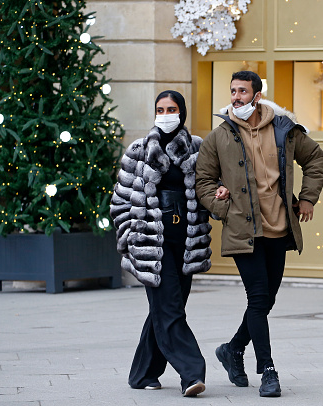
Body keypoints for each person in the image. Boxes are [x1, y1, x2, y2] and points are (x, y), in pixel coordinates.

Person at [195, 71, 323, 397]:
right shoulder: (219, 136)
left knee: (266, 300)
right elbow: (203, 181)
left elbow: (315, 158)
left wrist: (308, 197)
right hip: (244, 232)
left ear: (256, 96)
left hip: (279, 229)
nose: (236, 97)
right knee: (258, 298)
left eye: (242, 91)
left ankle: (232, 350)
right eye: (233, 91)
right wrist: (223, 208)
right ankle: (268, 370)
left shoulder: (284, 130)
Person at [110, 90, 213, 397]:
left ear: (182, 111)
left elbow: (209, 189)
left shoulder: (198, 147)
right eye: (160, 108)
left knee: (169, 307)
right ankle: (192, 372)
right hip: (151, 242)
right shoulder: (139, 149)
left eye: (172, 108)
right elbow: (120, 200)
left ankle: (143, 373)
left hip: (187, 242)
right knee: (169, 308)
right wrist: (131, 237)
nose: (166, 113)